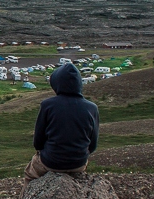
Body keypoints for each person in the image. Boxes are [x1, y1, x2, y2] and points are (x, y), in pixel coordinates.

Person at [23, 62, 99, 191]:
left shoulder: (48, 105)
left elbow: (38, 142)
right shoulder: (92, 108)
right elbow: (93, 144)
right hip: (79, 163)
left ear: (56, 83)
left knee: (29, 174)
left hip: (51, 162)